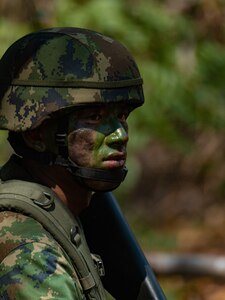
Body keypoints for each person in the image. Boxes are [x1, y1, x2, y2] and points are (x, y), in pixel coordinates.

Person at [0, 27, 144, 299]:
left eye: (122, 116)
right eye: (93, 117)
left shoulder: (64, 212)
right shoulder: (31, 256)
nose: (119, 135)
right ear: (35, 135)